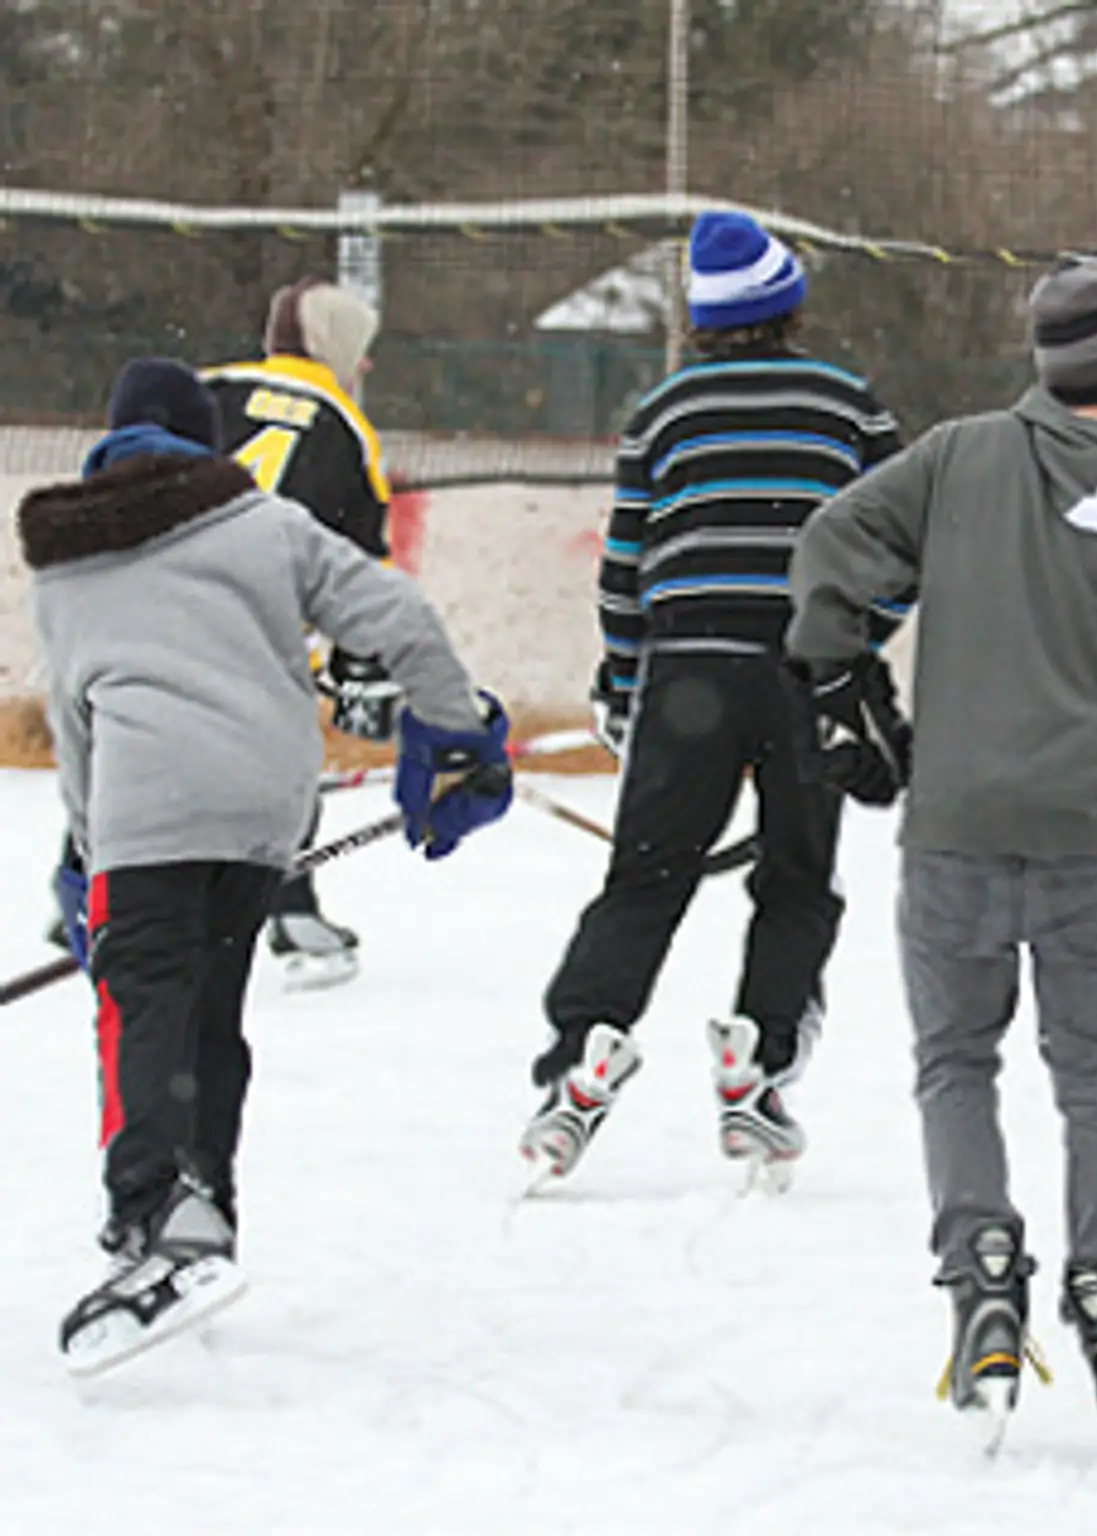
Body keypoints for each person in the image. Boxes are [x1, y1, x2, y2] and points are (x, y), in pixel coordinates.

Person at [784, 256, 1097, 1464]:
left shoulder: (953, 458)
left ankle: (980, 1285)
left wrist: (847, 693)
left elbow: (832, 550)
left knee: (955, 1064)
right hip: (1089, 830)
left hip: (950, 825)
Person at [21, 357, 510, 1375]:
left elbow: (75, 725)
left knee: (141, 1008)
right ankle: (207, 1208)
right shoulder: (264, 524)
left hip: (146, 805)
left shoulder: (67, 564)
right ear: (205, 443)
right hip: (265, 808)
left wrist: (83, 854)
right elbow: (403, 620)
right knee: (207, 1011)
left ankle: (153, 1217)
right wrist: (456, 736)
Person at [519, 211, 903, 1191]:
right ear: (790, 304)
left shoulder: (663, 411)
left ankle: (583, 1048)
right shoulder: (849, 404)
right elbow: (906, 540)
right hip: (803, 672)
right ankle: (759, 1056)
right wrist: (856, 646)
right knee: (795, 876)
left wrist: (621, 680)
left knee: (645, 878)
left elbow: (624, 564)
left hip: (685, 672)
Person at [203, 278, 395, 989]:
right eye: (361, 349)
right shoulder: (345, 426)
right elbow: (360, 573)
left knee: (145, 744)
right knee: (279, 767)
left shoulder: (206, 386)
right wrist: (361, 675)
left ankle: (84, 882)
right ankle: (290, 909)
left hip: (157, 606)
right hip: (262, 623)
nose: (366, 365)